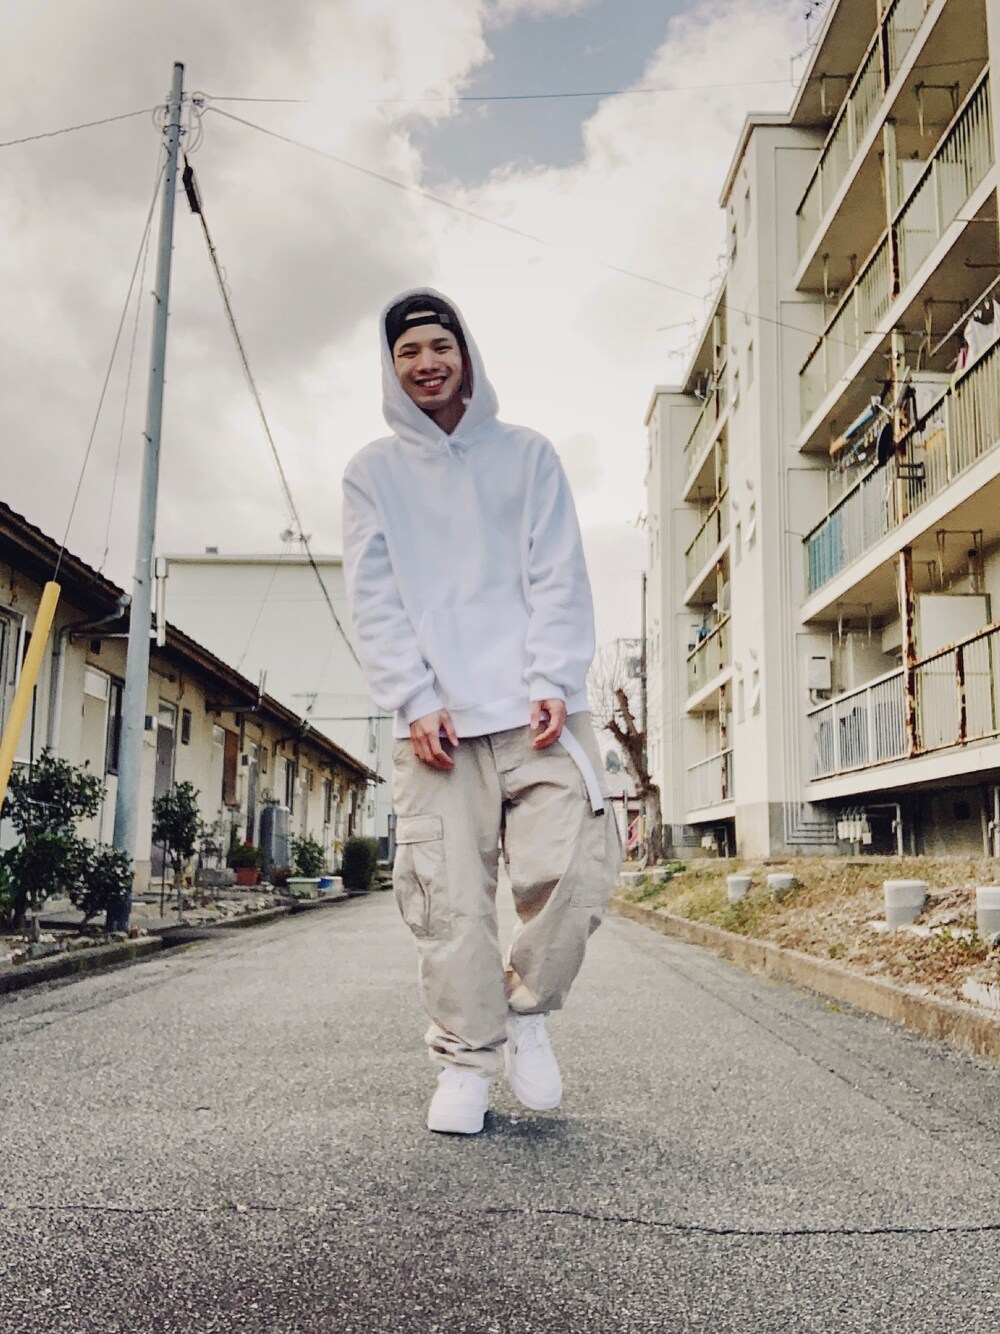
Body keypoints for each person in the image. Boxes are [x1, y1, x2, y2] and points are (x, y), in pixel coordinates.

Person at [342, 289, 619, 1135]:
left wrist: (552, 675)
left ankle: (525, 1013)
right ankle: (466, 1061)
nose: (426, 363)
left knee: (576, 871)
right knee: (447, 898)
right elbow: (374, 598)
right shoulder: (372, 473)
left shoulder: (526, 455)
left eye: (439, 345)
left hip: (541, 708)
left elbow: (558, 570)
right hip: (436, 726)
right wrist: (414, 697)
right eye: (408, 352)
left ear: (465, 354)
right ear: (391, 367)